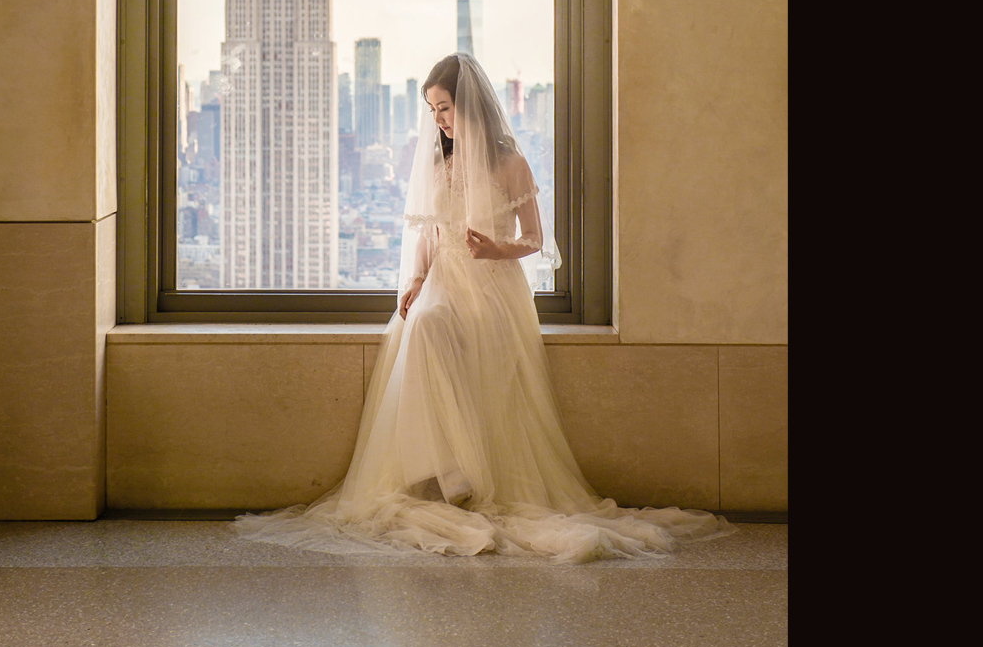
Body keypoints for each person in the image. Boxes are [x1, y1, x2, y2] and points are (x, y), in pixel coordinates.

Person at [235, 52, 732, 562]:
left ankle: (469, 473)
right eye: (431, 110)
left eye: (445, 107)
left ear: (471, 106)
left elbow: (536, 239)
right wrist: (415, 277)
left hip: (493, 285)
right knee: (424, 327)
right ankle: (448, 471)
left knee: (463, 357)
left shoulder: (509, 164)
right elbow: (430, 231)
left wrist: (496, 248)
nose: (438, 120)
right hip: (444, 281)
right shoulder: (438, 164)